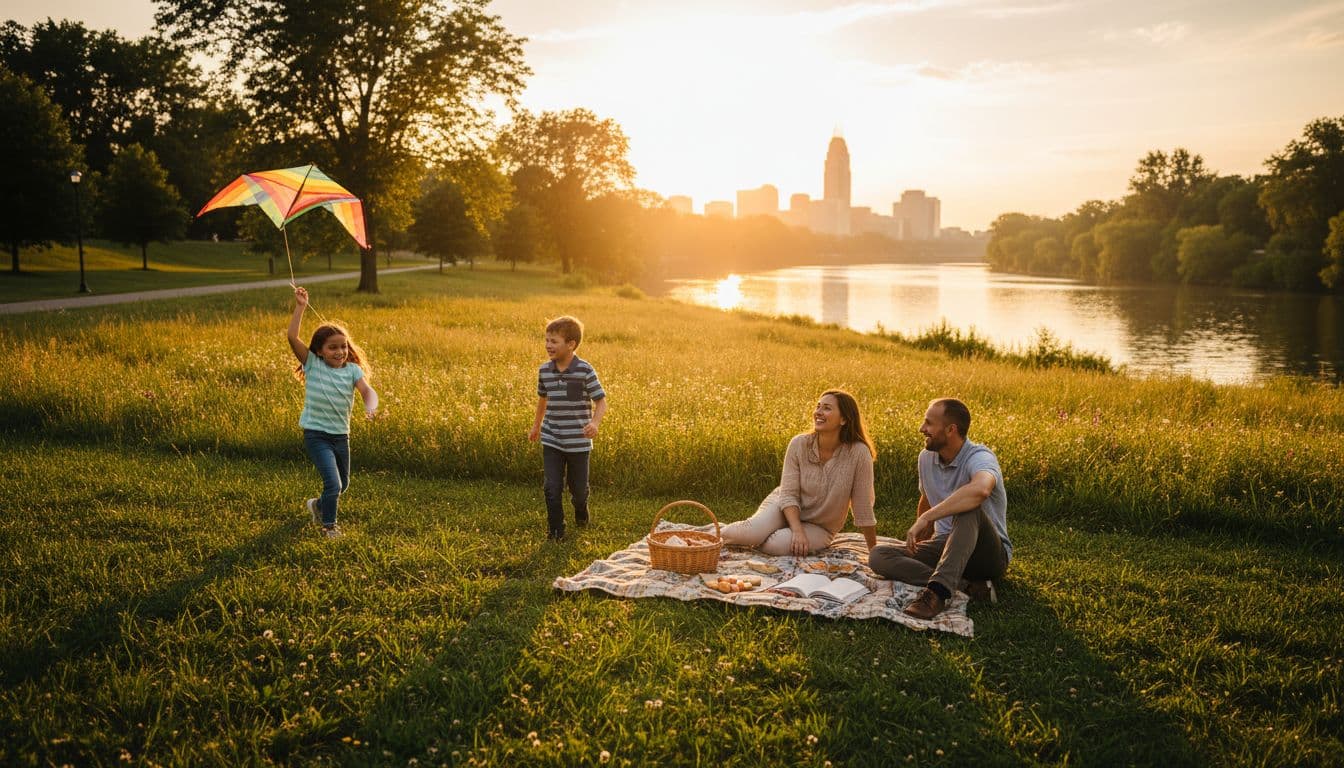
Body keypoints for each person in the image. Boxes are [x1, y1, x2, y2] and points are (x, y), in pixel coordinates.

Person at [869, 398, 1011, 620]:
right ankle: (968, 586)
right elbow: (927, 496)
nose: (922, 429)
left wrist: (927, 517)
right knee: (879, 555)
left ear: (950, 430)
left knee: (968, 508)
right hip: (945, 546)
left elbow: (980, 490)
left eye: (928, 424)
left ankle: (937, 593)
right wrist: (922, 533)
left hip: (986, 554)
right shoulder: (926, 458)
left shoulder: (980, 457)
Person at [721, 390, 878, 555]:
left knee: (776, 545)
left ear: (844, 419)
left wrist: (873, 551)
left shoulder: (859, 453)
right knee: (747, 534)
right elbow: (788, 493)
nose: (818, 412)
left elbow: (863, 506)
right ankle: (706, 537)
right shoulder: (799, 444)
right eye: (818, 407)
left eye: (826, 408)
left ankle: (767, 534)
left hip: (821, 527)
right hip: (784, 506)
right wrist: (797, 530)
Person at [286, 286, 379, 539]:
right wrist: (300, 307)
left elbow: (367, 391)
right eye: (332, 347)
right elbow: (293, 338)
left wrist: (371, 408)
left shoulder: (352, 371)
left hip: (341, 436)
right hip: (317, 435)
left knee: (343, 486)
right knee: (334, 484)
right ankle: (329, 526)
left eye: (343, 347)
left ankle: (317, 505)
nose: (339, 352)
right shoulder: (312, 364)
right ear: (319, 351)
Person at [528, 315, 607, 541]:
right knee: (551, 487)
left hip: (578, 444)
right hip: (552, 439)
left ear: (571, 344)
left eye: (554, 341)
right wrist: (537, 426)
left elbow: (601, 401)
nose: (548, 346)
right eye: (547, 340)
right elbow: (542, 400)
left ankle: (581, 510)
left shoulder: (584, 370)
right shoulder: (544, 371)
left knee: (579, 491)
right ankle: (556, 530)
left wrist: (595, 422)